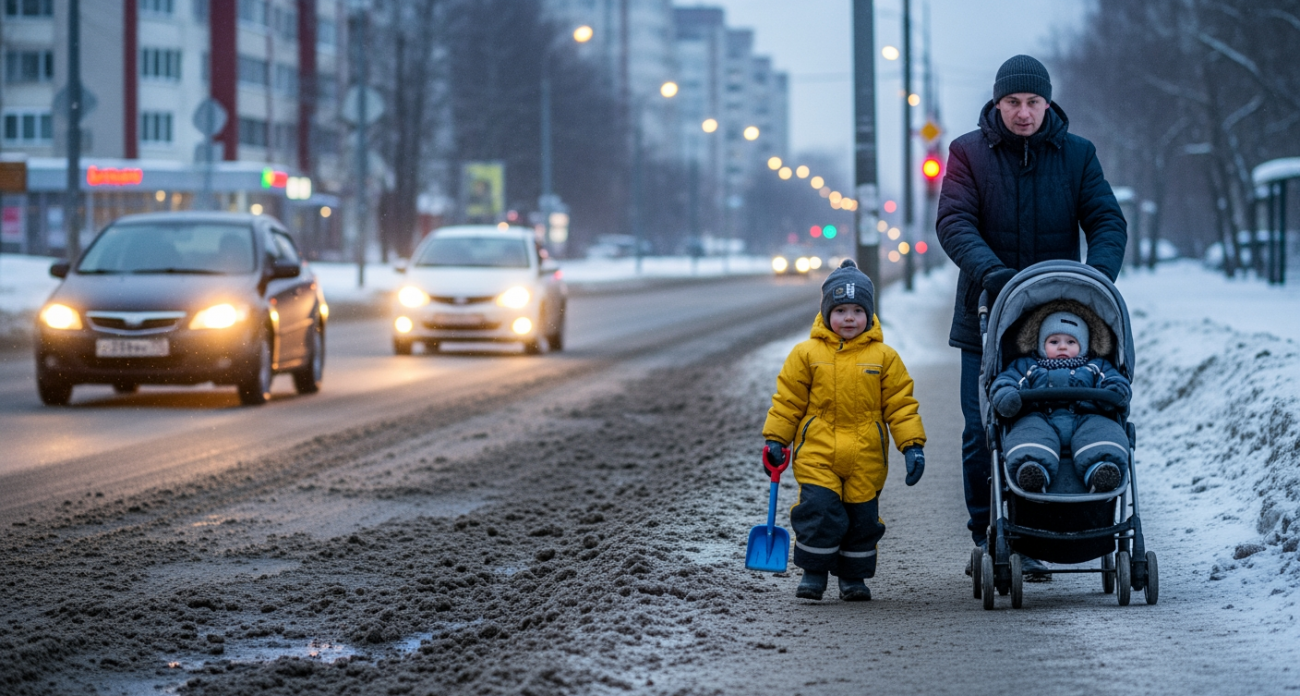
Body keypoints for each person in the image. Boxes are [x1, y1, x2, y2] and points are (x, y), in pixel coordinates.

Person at [936, 54, 1127, 579]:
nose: (1024, 113)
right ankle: (991, 532)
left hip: (1059, 321)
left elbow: (1107, 220)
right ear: (997, 103)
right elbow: (954, 222)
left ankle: (1065, 525)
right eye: (1013, 102)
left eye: (1033, 102)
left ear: (1048, 103)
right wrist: (994, 274)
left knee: (1065, 425)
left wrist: (1097, 280)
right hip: (988, 314)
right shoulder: (967, 153)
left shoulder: (1077, 155)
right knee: (982, 431)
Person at [762, 259, 927, 601]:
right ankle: (814, 573)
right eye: (840, 310)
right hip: (818, 452)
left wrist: (911, 445)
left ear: (869, 314)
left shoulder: (884, 357)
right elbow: (788, 399)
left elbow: (900, 404)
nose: (849, 318)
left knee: (862, 520)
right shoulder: (806, 354)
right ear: (825, 314)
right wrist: (777, 438)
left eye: (856, 310)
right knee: (818, 512)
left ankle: (853, 579)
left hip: (866, 456)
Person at [989, 302, 1131, 494]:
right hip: (1039, 418)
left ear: (1084, 345)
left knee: (1104, 431)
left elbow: (1116, 381)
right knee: (1027, 433)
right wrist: (1007, 396)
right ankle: (1033, 471)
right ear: (1040, 344)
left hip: (1087, 418)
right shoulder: (1027, 366)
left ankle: (1101, 471)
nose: (1062, 347)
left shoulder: (1096, 366)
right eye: (1054, 342)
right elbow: (1006, 381)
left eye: (1071, 342)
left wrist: (1113, 393)